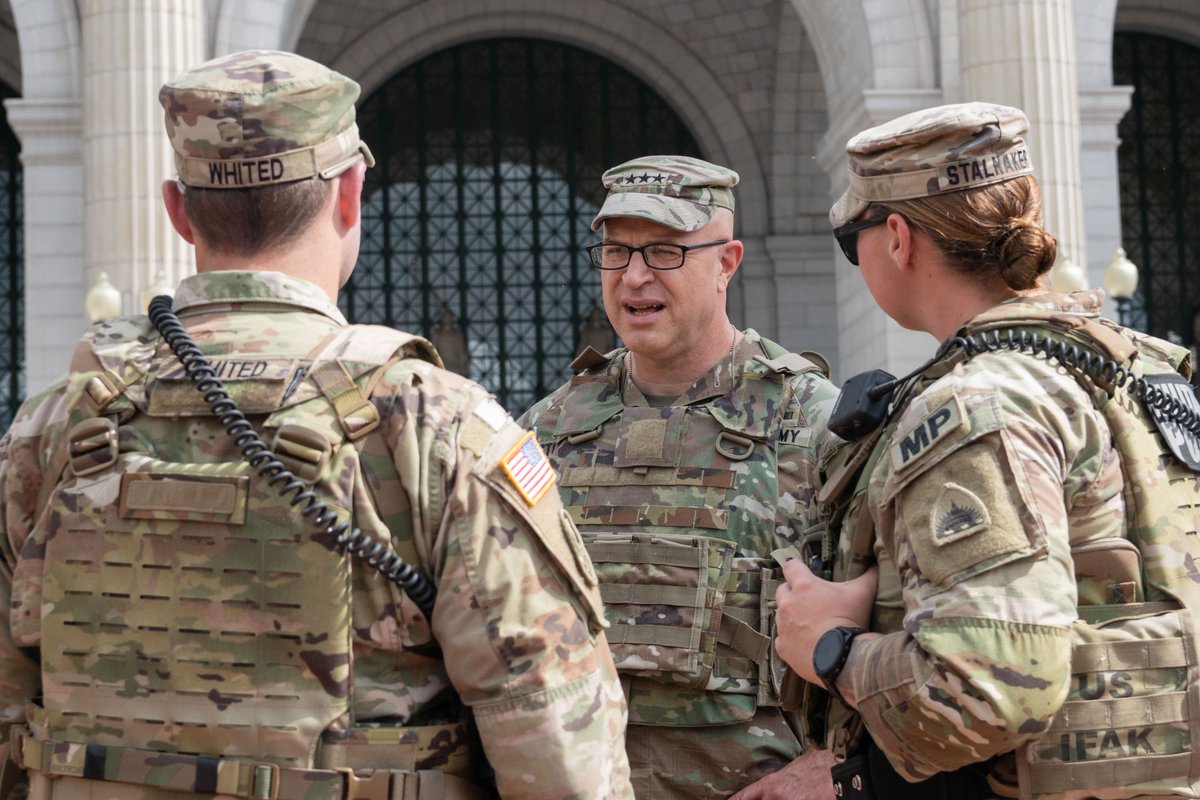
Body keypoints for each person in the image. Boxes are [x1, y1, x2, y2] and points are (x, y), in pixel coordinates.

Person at [0, 50, 633, 800]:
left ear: (178, 208)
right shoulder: (433, 424)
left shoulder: (53, 425)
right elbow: (560, 752)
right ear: (350, 195)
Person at [774, 101, 1200, 799]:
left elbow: (987, 693)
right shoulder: (1142, 370)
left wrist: (831, 649)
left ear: (899, 239)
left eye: (855, 243)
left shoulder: (978, 405)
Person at [518, 155, 842, 799]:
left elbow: (894, 620)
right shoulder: (544, 429)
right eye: (615, 252)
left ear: (726, 262)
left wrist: (836, 767)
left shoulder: (811, 421)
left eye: (665, 252)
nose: (634, 277)